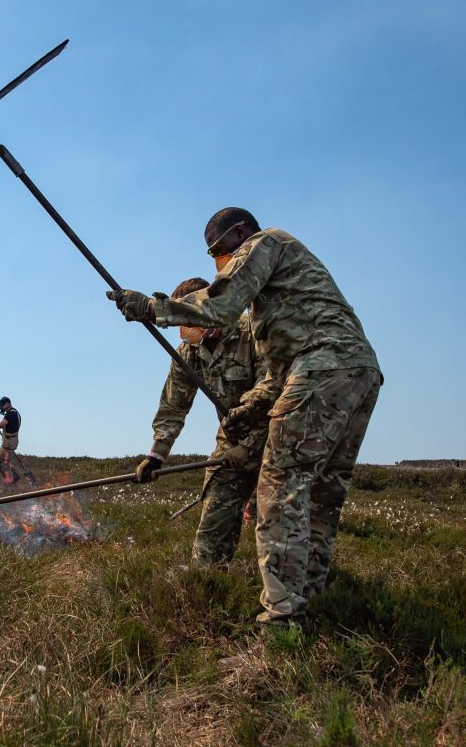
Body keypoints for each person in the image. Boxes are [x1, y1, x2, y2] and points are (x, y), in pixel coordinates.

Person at [109, 207, 382, 628]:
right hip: (356, 371)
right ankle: (311, 600)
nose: (221, 262)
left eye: (220, 252)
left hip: (323, 368)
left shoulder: (265, 242)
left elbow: (220, 304)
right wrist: (164, 451)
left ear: (240, 233)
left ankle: (281, 625)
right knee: (321, 495)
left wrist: (151, 307)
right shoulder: (271, 309)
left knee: (278, 489)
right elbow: (273, 378)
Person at [134, 277, 270, 568]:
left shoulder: (252, 333)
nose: (185, 328)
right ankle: (208, 573)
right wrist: (156, 455)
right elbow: (173, 405)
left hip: (279, 435)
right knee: (217, 498)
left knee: (279, 521)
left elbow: (275, 392)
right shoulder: (188, 354)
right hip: (232, 439)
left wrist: (251, 446)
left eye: (189, 317)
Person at [0, 397, 21, 487]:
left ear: (7, 404)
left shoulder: (10, 414)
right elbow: (7, 425)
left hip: (9, 442)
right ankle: (13, 475)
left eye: (2, 405)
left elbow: (0, 425)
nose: (1, 408)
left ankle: (12, 479)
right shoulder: (14, 412)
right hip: (9, 441)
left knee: (2, 463)